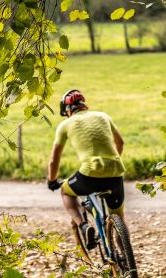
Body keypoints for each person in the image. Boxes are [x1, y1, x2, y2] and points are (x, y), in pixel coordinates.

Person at [47, 89, 125, 248]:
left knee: (65, 191)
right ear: (83, 104)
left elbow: (54, 160)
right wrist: (111, 163)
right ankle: (127, 262)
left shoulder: (65, 124)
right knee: (120, 221)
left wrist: (52, 180)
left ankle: (84, 225)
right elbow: (120, 142)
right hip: (116, 171)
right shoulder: (103, 116)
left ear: (68, 110)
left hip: (89, 174)